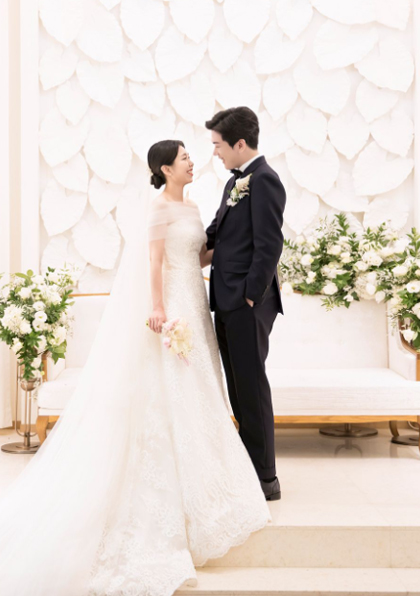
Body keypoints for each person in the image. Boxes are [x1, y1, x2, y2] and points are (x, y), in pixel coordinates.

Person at [0, 139, 270, 596]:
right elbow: (155, 260)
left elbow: (197, 256)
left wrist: (231, 247)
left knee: (200, 385)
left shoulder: (193, 207)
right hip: (172, 303)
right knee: (172, 385)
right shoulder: (158, 208)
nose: (192, 161)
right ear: (165, 169)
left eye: (191, 156)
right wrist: (159, 307)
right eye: (184, 158)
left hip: (195, 300)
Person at [204, 107, 287, 502]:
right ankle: (249, 470)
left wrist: (250, 294)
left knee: (251, 387)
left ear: (240, 144)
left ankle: (266, 478)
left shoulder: (265, 180)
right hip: (226, 299)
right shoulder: (233, 182)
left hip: (247, 302)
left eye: (218, 145)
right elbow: (216, 234)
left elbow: (270, 245)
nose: (215, 152)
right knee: (238, 388)